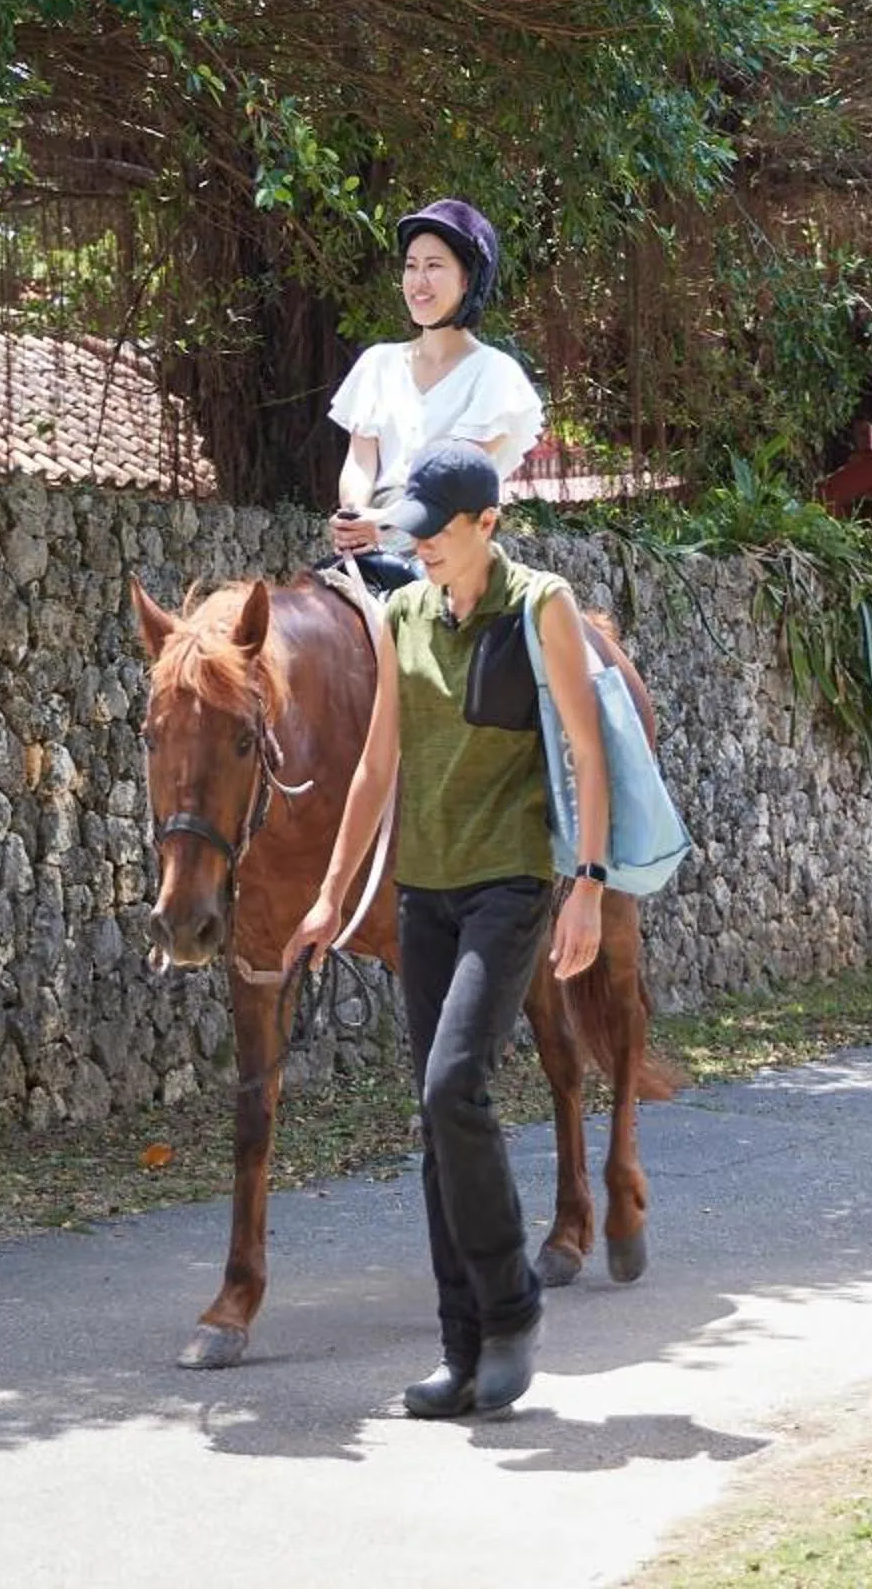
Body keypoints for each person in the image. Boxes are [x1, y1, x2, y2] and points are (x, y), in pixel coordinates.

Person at [282, 438, 614, 1420]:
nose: (418, 546)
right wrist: (333, 891)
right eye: (410, 531)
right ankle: (460, 1348)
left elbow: (588, 754)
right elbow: (378, 765)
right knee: (435, 1119)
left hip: (509, 884)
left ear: (486, 526)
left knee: (452, 1086)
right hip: (421, 891)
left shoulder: (541, 606)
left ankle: (511, 1316)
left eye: (434, 532)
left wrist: (586, 884)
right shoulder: (402, 615)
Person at [327, 199, 545, 584]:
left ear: (467, 280)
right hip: (370, 545)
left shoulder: (495, 374)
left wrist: (388, 524)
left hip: (450, 549)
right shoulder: (378, 363)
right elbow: (360, 462)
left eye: (434, 266)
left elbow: (456, 482)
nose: (418, 280)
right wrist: (353, 516)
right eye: (411, 266)